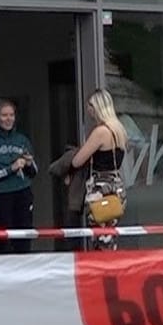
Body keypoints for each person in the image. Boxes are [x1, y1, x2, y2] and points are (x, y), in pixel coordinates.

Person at [50, 88, 127, 251]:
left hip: (100, 190)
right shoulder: (119, 129)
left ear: (98, 107)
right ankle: (110, 269)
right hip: (116, 188)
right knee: (110, 235)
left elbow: (78, 161)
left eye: (91, 106)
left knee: (100, 238)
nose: (89, 110)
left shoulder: (100, 132)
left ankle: (103, 272)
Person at [0, 98, 38, 254]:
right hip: (0, 196)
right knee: (2, 241)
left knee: (24, 237)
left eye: (11, 115)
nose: (8, 119)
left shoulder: (22, 140)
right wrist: (10, 168)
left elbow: (35, 171)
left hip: (23, 192)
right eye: (4, 115)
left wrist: (29, 163)